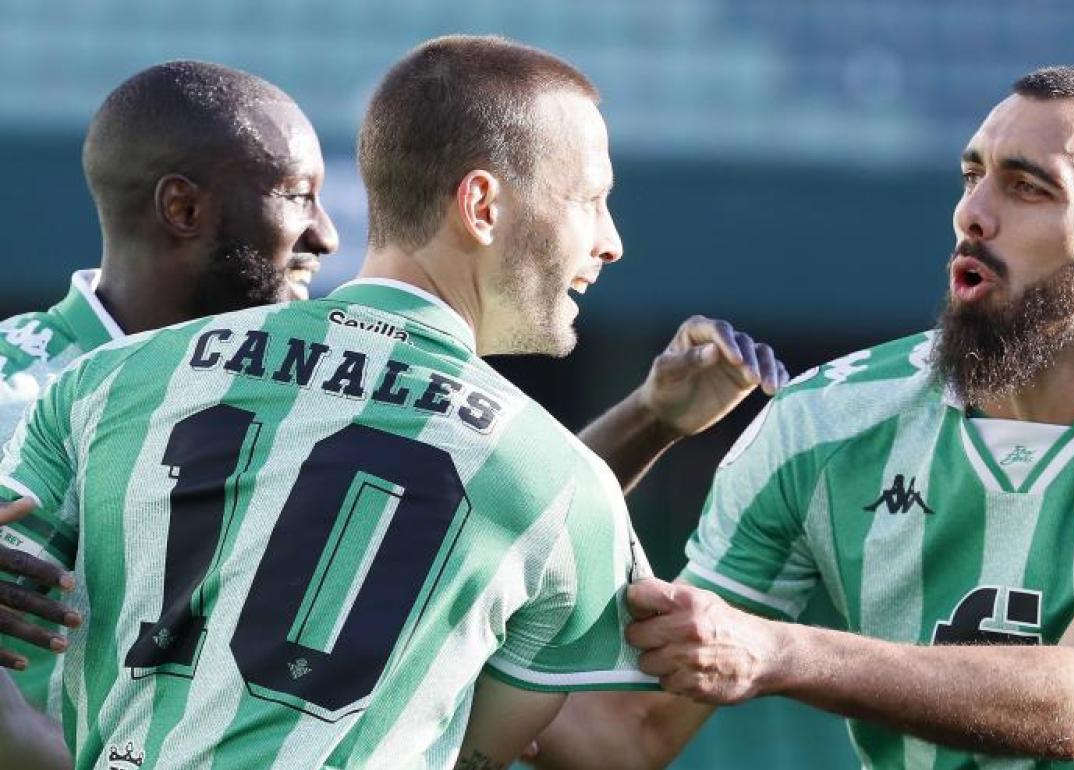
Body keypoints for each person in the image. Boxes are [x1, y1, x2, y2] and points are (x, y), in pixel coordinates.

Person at [0, 36, 786, 770]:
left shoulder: (102, 383)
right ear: (481, 206)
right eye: (590, 200)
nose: (611, 241)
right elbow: (552, 738)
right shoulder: (563, 482)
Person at [529, 66, 1074, 769]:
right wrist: (451, 668)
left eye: (1028, 187)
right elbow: (628, 735)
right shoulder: (821, 419)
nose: (972, 212)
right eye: (973, 175)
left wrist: (782, 651)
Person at [0, 59, 339, 770]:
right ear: (182, 209)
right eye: (299, 197)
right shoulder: (17, 392)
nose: (325, 237)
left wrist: (644, 418)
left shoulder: (304, 400)